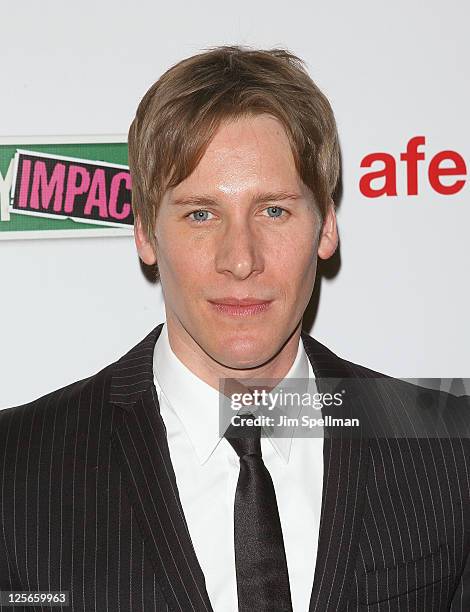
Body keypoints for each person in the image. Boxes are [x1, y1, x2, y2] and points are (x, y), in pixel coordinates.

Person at [0, 46, 469, 612]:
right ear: (146, 234)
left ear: (326, 228)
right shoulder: (17, 470)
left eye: (273, 210)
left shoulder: (448, 452)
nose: (240, 259)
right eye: (201, 214)